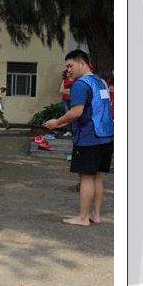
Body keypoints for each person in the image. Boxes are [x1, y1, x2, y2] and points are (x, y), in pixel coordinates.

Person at [44, 50, 114, 227]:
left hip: (89, 137)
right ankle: (95, 215)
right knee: (97, 176)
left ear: (82, 63)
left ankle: (83, 217)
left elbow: (76, 111)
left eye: (70, 65)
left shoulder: (80, 85)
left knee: (86, 178)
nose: (68, 70)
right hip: (106, 136)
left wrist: (57, 122)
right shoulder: (100, 82)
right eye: (66, 67)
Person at [60, 70, 74, 137]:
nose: (70, 74)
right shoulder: (65, 81)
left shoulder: (76, 80)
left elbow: (76, 90)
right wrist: (68, 91)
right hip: (66, 100)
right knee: (67, 115)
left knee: (74, 115)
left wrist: (68, 90)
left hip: (74, 100)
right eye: (68, 73)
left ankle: (75, 131)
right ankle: (69, 131)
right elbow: (61, 90)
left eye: (71, 72)